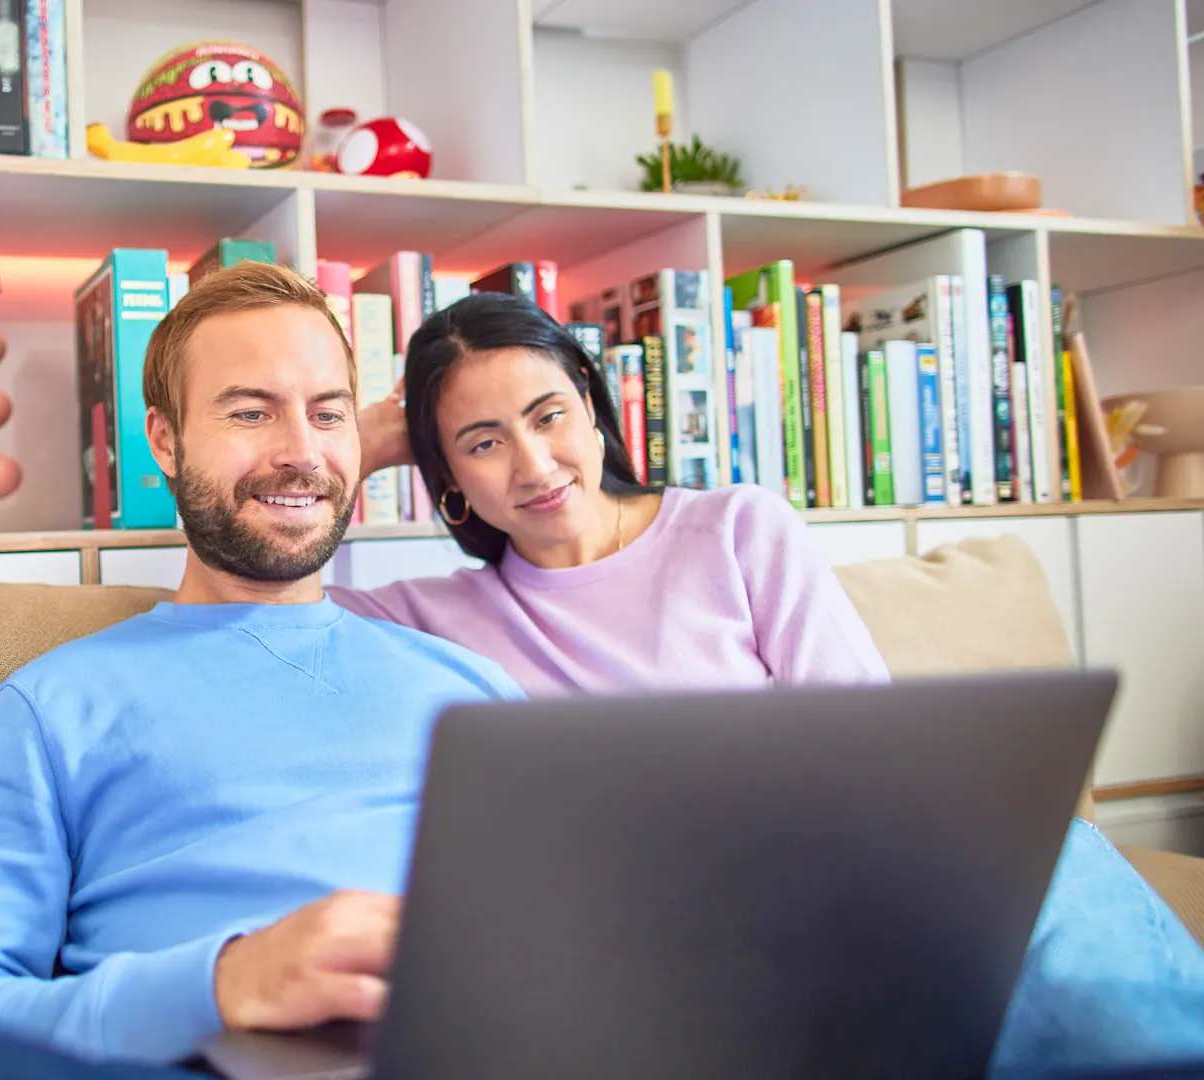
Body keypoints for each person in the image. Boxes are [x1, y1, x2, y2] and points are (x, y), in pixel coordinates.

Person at [332, 291, 1204, 1076]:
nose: (532, 464)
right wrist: (366, 442)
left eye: (548, 414)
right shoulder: (426, 615)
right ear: (446, 482)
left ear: (594, 411)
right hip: (674, 945)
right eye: (483, 443)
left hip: (850, 878)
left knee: (1058, 861)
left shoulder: (735, 529)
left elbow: (872, 746)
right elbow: (234, 593)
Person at [0, 261, 523, 1067]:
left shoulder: (473, 687)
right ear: (165, 442)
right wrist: (221, 985)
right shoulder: (52, 707)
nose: (301, 453)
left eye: (328, 414)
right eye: (252, 413)